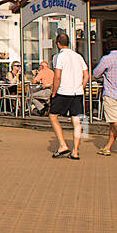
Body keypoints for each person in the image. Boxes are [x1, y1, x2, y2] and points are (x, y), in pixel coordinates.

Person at [49, 31, 89, 159]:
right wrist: (81, 87)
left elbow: (58, 76)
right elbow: (87, 75)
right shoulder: (78, 56)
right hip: (77, 92)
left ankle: (63, 145)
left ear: (58, 44)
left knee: (53, 116)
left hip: (63, 91)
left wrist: (54, 92)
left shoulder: (59, 57)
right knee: (77, 121)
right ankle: (75, 151)